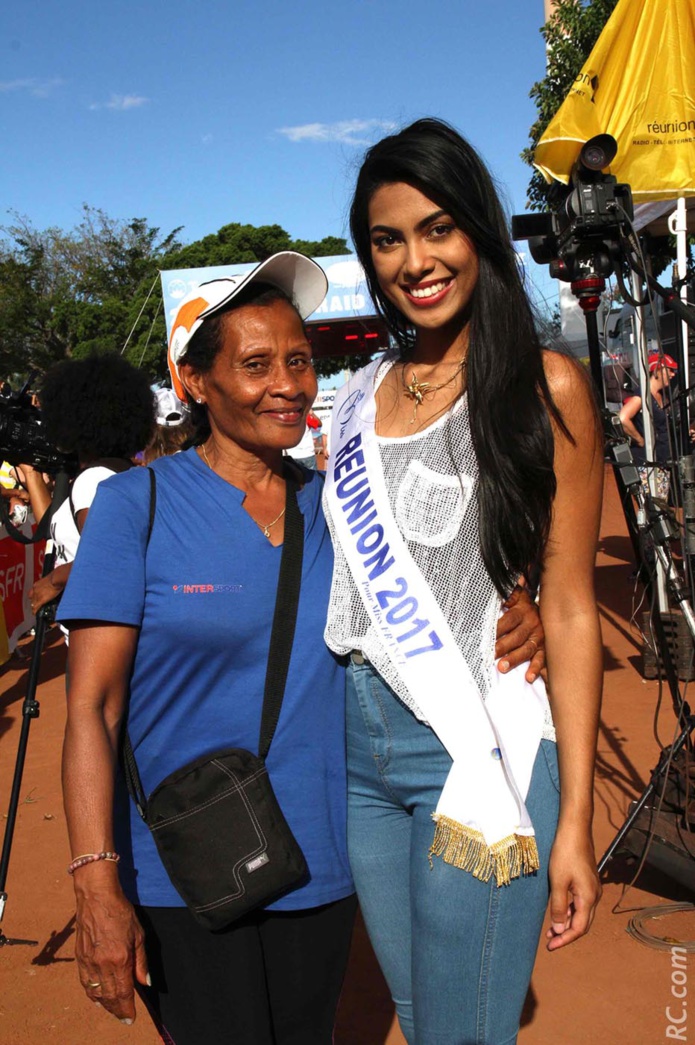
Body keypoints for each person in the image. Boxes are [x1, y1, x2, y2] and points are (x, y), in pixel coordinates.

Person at [57, 251, 543, 1044]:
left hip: (318, 864)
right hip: (180, 865)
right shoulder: (134, 506)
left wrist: (521, 610)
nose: (287, 383)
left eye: (298, 360)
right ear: (196, 384)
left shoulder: (344, 510)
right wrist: (96, 880)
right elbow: (91, 706)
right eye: (254, 364)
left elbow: (446, 592)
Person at [322, 119, 604, 1044]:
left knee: (461, 1033)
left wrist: (573, 824)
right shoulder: (360, 395)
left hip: (478, 742)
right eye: (387, 238)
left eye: (437, 228)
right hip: (361, 755)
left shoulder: (543, 384)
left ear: (478, 231)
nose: (415, 260)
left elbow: (565, 605)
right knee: (421, 1013)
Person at [20, 354, 155, 619]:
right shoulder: (121, 471)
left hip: (102, 631)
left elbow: (110, 556)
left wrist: (54, 581)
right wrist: (32, 475)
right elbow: (57, 529)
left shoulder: (92, 480)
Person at [619, 352, 677, 499]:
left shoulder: (662, 396)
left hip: (662, 460)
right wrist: (640, 440)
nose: (673, 374)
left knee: (661, 505)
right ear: (658, 370)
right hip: (648, 462)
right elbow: (623, 418)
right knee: (652, 506)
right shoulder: (643, 395)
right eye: (670, 370)